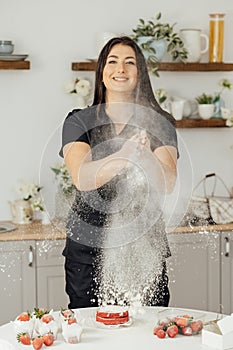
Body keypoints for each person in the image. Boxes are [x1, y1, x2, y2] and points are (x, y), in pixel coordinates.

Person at [59, 36, 178, 309]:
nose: (120, 69)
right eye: (112, 62)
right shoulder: (78, 121)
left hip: (143, 249)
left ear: (141, 74)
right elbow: (83, 177)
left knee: (148, 331)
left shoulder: (159, 124)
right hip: (86, 254)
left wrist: (145, 156)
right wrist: (124, 155)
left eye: (129, 62)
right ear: (102, 73)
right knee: (92, 333)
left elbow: (168, 182)